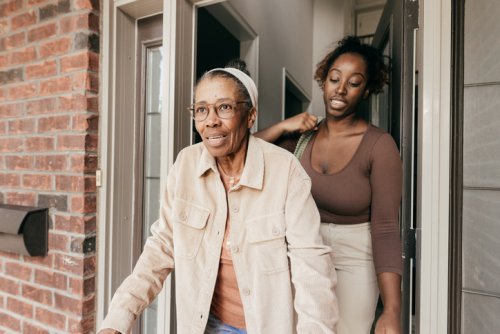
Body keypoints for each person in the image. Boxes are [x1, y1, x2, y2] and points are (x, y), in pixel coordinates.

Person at [99, 60, 338, 334]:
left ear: (250, 116)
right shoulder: (185, 165)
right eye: (201, 110)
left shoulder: (285, 171)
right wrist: (118, 319)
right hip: (205, 325)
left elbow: (311, 266)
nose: (211, 120)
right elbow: (162, 245)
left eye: (224, 107)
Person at [255, 36, 403, 334]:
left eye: (354, 82)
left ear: (367, 91)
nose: (341, 89)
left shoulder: (380, 145)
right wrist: (284, 125)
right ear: (324, 80)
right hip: (302, 247)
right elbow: (245, 153)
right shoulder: (301, 135)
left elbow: (386, 228)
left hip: (355, 255)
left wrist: (391, 310)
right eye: (335, 78)